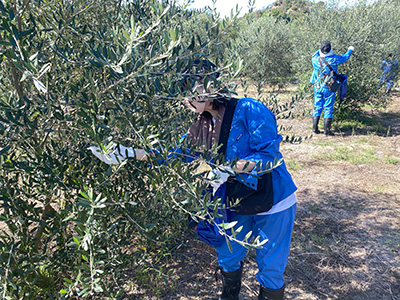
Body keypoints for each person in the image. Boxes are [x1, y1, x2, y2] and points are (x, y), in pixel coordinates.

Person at [89, 59, 297, 300]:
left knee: (271, 265)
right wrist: (127, 153)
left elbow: (268, 156)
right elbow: (173, 155)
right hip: (236, 200)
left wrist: (230, 167)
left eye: (188, 89)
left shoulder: (250, 109)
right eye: (181, 92)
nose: (184, 99)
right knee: (229, 253)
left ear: (208, 85)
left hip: (274, 198)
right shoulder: (202, 126)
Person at [310, 41, 354, 136]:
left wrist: (320, 49)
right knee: (328, 107)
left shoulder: (315, 59)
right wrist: (350, 49)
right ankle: (326, 131)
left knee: (317, 106)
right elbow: (345, 56)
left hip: (317, 86)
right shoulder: (335, 59)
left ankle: (315, 129)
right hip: (329, 87)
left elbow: (315, 54)